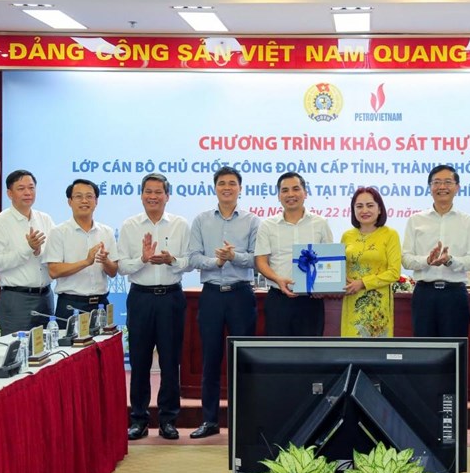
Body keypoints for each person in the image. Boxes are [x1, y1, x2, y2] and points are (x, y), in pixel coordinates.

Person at [188, 167, 260, 439]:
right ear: (215, 188)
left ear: (240, 188)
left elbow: (257, 259)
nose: (227, 187)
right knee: (211, 358)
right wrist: (216, 261)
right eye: (222, 183)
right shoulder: (201, 220)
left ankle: (243, 420)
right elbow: (193, 257)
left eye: (232, 183)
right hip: (211, 295)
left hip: (241, 294)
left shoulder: (252, 221)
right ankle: (209, 421)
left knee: (242, 359)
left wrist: (234, 257)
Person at [118, 173, 190, 441]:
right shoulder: (129, 226)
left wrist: (172, 260)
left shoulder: (180, 225)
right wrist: (142, 259)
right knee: (139, 361)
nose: (153, 196)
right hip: (141, 298)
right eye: (148, 191)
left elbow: (189, 262)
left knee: (171, 361)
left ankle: (168, 420)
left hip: (171, 298)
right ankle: (138, 419)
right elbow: (121, 266)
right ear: (141, 195)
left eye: (158, 192)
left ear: (167, 196)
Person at [402, 164, 470, 338]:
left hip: (455, 294)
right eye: (436, 182)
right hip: (424, 294)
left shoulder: (469, 222)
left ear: (457, 187)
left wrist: (450, 260)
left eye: (448, 182)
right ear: (430, 187)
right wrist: (427, 261)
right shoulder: (415, 220)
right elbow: (406, 258)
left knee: (455, 348)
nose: (442, 187)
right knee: (425, 349)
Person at [254, 172, 333, 336]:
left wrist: (323, 285)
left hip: (311, 300)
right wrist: (278, 279)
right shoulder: (267, 225)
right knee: (278, 349)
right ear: (279, 196)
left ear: (305, 193)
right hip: (278, 299)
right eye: (285, 190)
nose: (290, 194)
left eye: (296, 189)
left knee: (310, 349)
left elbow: (329, 259)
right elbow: (261, 261)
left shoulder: (321, 223)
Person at [0, 170, 55, 335]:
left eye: (31, 188)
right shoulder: (0, 222)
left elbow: (56, 254)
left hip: (45, 296)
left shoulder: (45, 219)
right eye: (21, 188)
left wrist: (39, 251)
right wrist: (28, 248)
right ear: (9, 193)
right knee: (18, 348)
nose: (27, 192)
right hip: (17, 299)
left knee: (47, 347)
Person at [45, 179, 118, 319]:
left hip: (101, 304)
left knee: (104, 335)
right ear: (70, 201)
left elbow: (113, 272)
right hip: (71, 304)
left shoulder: (106, 232)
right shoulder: (58, 232)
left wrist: (106, 261)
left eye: (89, 196)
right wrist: (86, 262)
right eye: (78, 196)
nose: (84, 201)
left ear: (96, 201)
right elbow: (53, 271)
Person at [340, 187, 401, 337]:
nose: (364, 210)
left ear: (379, 209)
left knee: (376, 348)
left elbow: (394, 273)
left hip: (377, 303)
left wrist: (363, 283)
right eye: (359, 206)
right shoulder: (347, 236)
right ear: (353, 210)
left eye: (370, 205)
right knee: (351, 346)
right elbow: (339, 268)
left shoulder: (390, 234)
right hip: (352, 299)